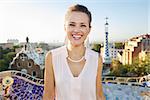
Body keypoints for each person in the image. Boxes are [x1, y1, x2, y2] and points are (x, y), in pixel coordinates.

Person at [43, 4, 105, 100]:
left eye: (83, 25)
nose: (77, 30)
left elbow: (99, 95)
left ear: (89, 29)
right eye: (72, 24)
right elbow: (48, 96)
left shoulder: (97, 59)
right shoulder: (52, 57)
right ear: (65, 27)